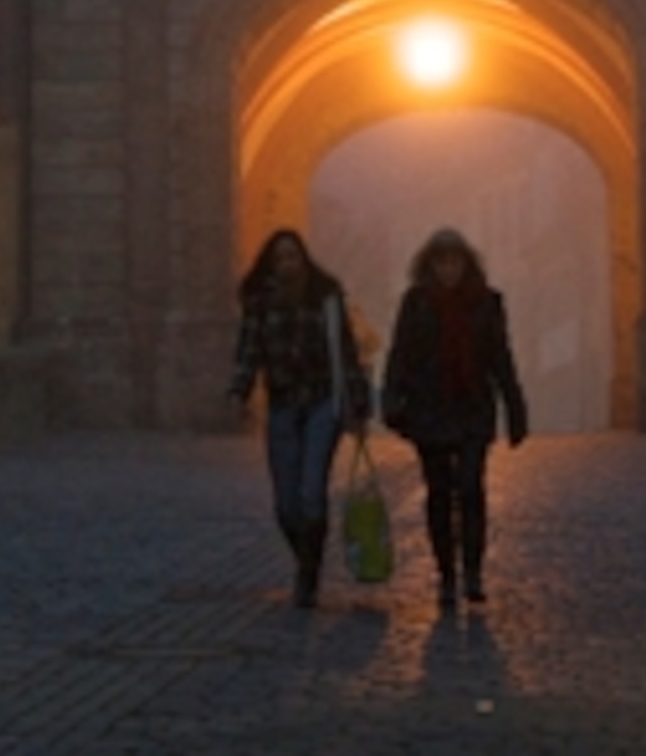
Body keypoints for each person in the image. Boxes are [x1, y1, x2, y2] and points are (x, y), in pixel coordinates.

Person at [379, 225, 529, 609]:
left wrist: (515, 406)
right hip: (429, 409)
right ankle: (447, 573)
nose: (449, 269)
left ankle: (473, 571)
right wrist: (393, 400)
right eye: (442, 262)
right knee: (439, 494)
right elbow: (401, 354)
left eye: (455, 261)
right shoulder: (415, 303)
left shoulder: (487, 302)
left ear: (467, 263)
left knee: (471, 487)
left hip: (472, 408)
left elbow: (500, 357)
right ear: (430, 265)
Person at [226, 226, 372, 607]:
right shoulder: (260, 302)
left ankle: (307, 575)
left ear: (304, 258)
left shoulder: (326, 297)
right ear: (271, 264)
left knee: (311, 490)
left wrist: (357, 404)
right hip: (282, 405)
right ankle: (308, 559)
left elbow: (346, 352)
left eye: (293, 255)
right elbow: (248, 351)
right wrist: (239, 393)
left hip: (323, 402)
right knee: (286, 504)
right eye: (280, 257)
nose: (288, 263)